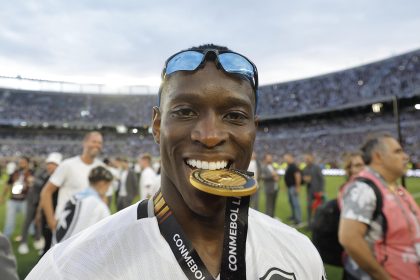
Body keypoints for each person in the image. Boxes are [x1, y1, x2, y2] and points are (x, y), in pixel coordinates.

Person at [27, 44, 325, 279]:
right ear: (157, 126)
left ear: (253, 131)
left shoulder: (300, 255)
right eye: (185, 112)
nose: (209, 136)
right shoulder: (70, 269)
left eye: (234, 116)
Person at [338, 133, 420, 280]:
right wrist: (383, 277)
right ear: (378, 157)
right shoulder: (364, 189)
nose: (405, 156)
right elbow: (350, 239)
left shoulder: (395, 187)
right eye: (397, 151)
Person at [39, 131, 104, 233]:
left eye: (100, 143)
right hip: (66, 223)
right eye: (94, 141)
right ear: (85, 143)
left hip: (89, 225)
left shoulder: (101, 168)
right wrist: (51, 221)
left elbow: (103, 196)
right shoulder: (68, 165)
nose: (97, 145)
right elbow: (46, 192)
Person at [18, 153, 62, 255]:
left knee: (40, 223)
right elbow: (38, 190)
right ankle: (23, 242)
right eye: (49, 163)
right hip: (33, 200)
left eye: (54, 164)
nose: (51, 166)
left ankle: (38, 239)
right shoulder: (42, 174)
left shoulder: (59, 176)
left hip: (45, 203)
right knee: (28, 221)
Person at [55, 166, 112, 243]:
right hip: (74, 251)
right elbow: (107, 235)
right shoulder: (98, 206)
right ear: (102, 183)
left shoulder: (75, 197)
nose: (108, 189)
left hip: (57, 246)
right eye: (108, 185)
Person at [1, 156, 34, 239]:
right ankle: (6, 236)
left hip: (25, 200)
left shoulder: (32, 173)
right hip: (13, 200)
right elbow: (7, 184)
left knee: (29, 219)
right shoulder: (15, 172)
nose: (21, 164)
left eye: (23, 162)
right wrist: (2, 196)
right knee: (10, 220)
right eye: (20, 162)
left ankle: (32, 235)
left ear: (27, 163)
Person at [302, 153, 325, 227]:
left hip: (317, 191)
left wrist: (321, 190)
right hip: (309, 191)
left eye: (308, 159)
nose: (307, 160)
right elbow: (303, 181)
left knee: (318, 208)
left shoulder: (317, 167)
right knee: (309, 207)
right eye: (306, 159)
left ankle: (317, 223)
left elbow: (322, 179)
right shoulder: (305, 169)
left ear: (312, 159)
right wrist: (304, 180)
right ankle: (309, 224)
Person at [283, 153, 302, 225]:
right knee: (292, 203)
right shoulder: (289, 166)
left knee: (296, 204)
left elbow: (298, 176)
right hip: (290, 187)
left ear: (291, 158)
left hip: (293, 187)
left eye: (286, 158)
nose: (285, 159)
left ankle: (298, 220)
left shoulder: (294, 166)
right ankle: (294, 217)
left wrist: (298, 187)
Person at [260, 153, 279, 217]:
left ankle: (272, 216)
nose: (270, 159)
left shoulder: (273, 166)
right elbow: (262, 177)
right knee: (269, 204)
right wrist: (272, 175)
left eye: (271, 158)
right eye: (269, 158)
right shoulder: (263, 167)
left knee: (273, 204)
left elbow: (276, 174)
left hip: (275, 187)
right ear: (265, 159)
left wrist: (277, 177)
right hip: (269, 188)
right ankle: (268, 217)